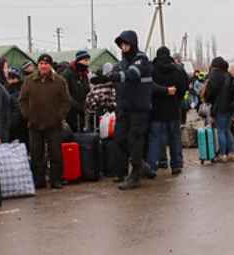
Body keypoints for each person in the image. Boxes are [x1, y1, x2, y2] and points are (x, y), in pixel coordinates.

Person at [103, 30, 155, 190]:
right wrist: (107, 76)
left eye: (126, 44)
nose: (123, 47)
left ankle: (135, 176)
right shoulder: (122, 62)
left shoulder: (141, 59)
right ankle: (142, 165)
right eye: (121, 44)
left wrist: (116, 76)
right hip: (124, 108)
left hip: (139, 108)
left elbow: (133, 74)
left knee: (135, 139)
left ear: (132, 43)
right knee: (119, 139)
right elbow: (116, 73)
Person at [18, 53, 72, 190]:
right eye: (41, 63)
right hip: (34, 124)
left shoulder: (59, 81)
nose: (43, 66)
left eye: (46, 63)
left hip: (54, 124)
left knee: (55, 153)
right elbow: (22, 100)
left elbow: (66, 102)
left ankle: (56, 180)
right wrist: (28, 115)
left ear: (50, 65)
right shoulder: (29, 80)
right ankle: (39, 181)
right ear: (38, 65)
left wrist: (59, 116)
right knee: (36, 154)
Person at [147, 46, 190, 176]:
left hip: (156, 111)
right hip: (173, 110)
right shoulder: (178, 69)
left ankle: (153, 167)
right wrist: (177, 99)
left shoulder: (151, 69)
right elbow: (184, 87)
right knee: (175, 138)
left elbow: (148, 88)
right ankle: (176, 165)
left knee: (155, 139)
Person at [201, 56, 234, 162]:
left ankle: (222, 154)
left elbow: (211, 93)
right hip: (230, 107)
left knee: (221, 131)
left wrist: (208, 100)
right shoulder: (229, 76)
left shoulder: (214, 76)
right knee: (227, 130)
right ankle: (232, 153)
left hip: (220, 107)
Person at [62, 50, 93, 132]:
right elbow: (65, 93)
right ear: (79, 60)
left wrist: (86, 102)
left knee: (81, 132)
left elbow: (87, 89)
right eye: (85, 60)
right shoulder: (68, 73)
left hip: (82, 109)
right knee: (72, 132)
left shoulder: (84, 74)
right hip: (70, 111)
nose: (87, 63)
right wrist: (76, 105)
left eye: (88, 60)